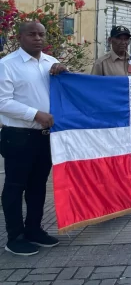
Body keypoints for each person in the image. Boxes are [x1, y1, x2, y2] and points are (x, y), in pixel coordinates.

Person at [0, 22, 67, 256]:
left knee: (38, 185)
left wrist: (64, 72)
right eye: (32, 34)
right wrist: (35, 114)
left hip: (45, 137)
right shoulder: (7, 65)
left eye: (41, 34)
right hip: (18, 136)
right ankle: (14, 237)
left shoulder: (51, 63)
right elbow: (2, 102)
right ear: (19, 37)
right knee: (15, 186)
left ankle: (34, 230)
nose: (37, 38)